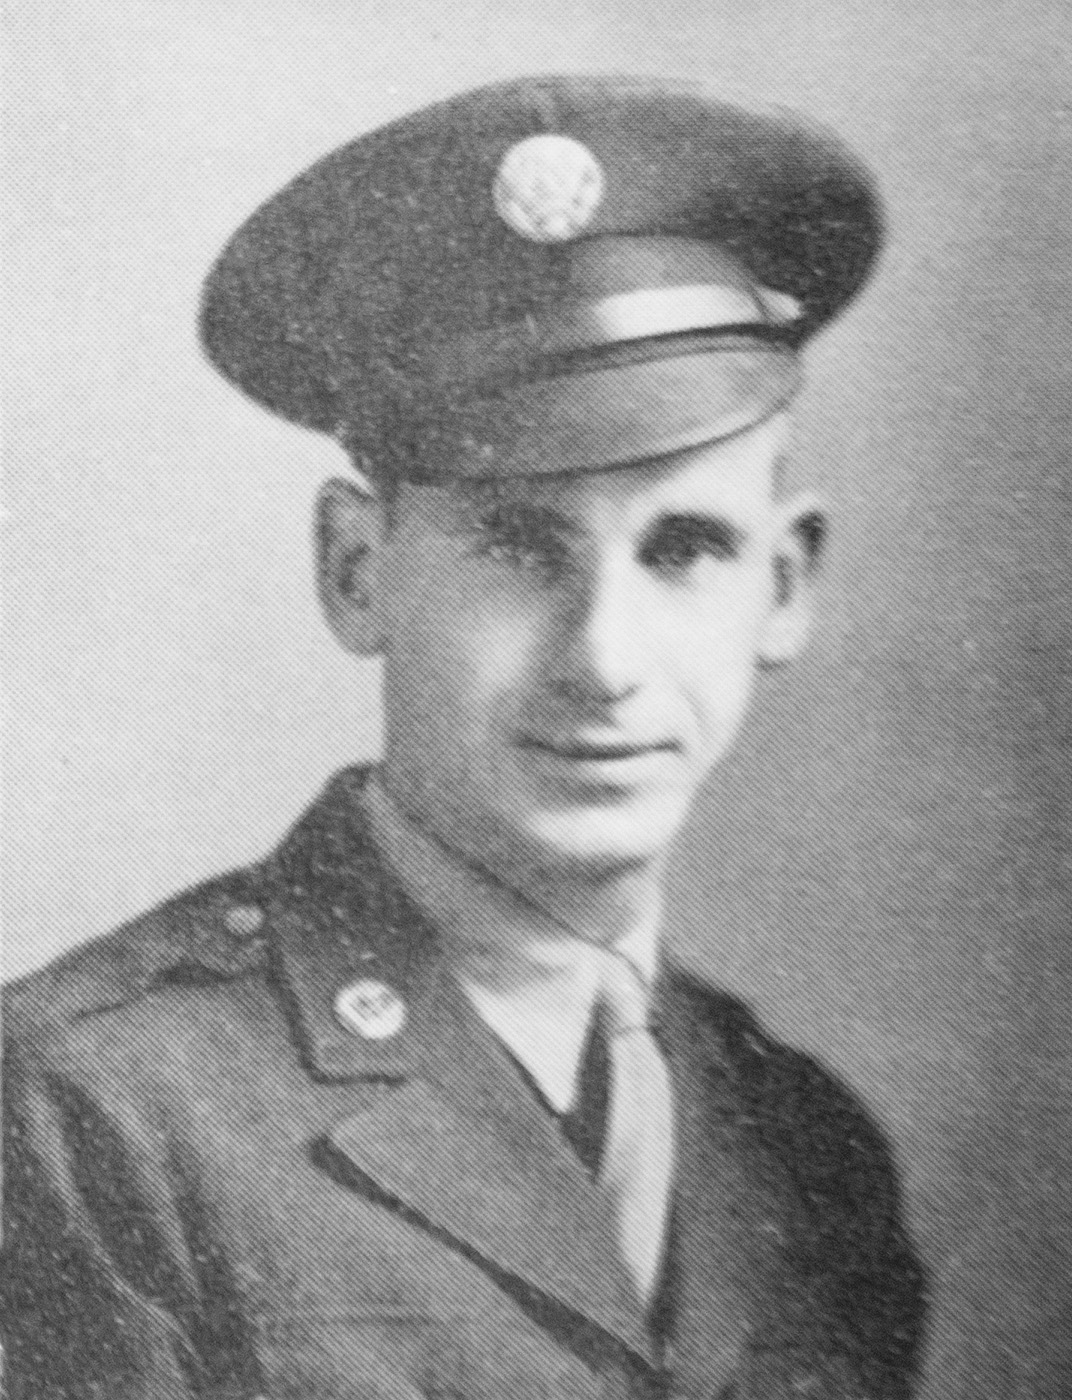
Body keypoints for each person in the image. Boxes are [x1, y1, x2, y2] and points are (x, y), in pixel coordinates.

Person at [2, 74, 926, 1399]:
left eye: (685, 548)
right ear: (356, 570)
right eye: (516, 543)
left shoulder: (812, 1151)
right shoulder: (96, 1109)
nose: (605, 662)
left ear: (783, 585)